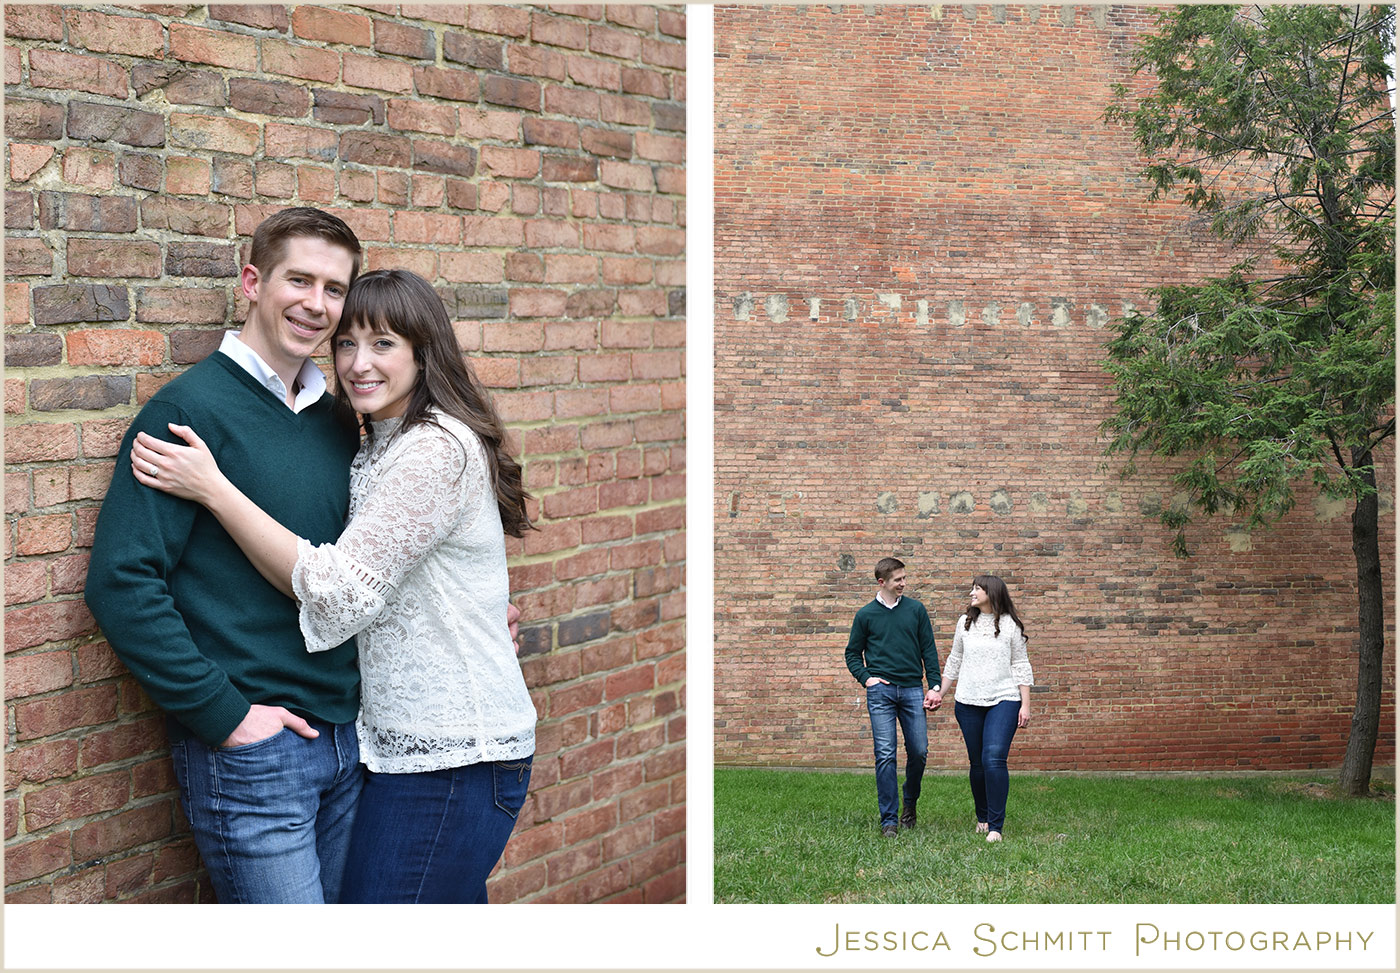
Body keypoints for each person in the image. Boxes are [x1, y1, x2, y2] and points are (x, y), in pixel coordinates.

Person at [129, 268, 537, 903]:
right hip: (396, 749)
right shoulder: (376, 443)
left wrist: (214, 489)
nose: (357, 363)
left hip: (456, 755)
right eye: (346, 344)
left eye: (383, 344)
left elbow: (343, 589)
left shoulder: (432, 448)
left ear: (423, 353)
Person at [84, 207, 367, 903]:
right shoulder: (188, 413)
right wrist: (227, 717)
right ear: (251, 282)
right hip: (256, 757)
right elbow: (122, 582)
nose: (316, 303)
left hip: (349, 745)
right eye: (298, 279)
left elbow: (362, 566)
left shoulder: (337, 419)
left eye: (334, 288)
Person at [844, 557, 943, 837]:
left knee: (919, 752)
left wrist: (934, 685)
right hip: (881, 693)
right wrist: (867, 679)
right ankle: (889, 819)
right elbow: (852, 653)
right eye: (898, 579)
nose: (903, 583)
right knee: (885, 755)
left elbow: (929, 649)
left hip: (912, 689)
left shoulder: (916, 610)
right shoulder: (865, 615)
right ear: (882, 582)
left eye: (904, 578)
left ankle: (909, 804)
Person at [939, 574, 1033, 843]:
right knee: (977, 763)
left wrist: (1025, 704)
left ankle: (996, 827)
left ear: (992, 593)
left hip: (1004, 698)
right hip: (967, 701)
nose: (971, 593)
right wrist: (940, 693)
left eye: (977, 589)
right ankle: (983, 818)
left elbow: (1020, 665)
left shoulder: (1010, 625)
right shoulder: (964, 623)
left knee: (994, 758)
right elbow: (955, 660)